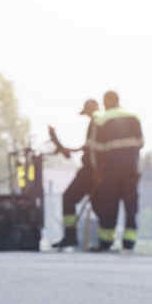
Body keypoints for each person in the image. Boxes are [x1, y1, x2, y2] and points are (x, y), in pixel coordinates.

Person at [87, 90, 144, 251]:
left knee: (109, 205)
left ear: (105, 102)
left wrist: (96, 170)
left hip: (110, 170)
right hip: (131, 169)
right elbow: (140, 142)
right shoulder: (134, 117)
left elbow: (95, 150)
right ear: (118, 100)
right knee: (131, 205)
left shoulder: (101, 120)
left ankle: (106, 241)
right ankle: (129, 241)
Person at [51, 98, 99, 250]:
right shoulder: (97, 122)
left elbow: (91, 147)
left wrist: (70, 150)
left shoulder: (97, 122)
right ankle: (72, 237)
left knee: (69, 198)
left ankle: (71, 236)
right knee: (97, 203)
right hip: (95, 170)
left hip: (92, 170)